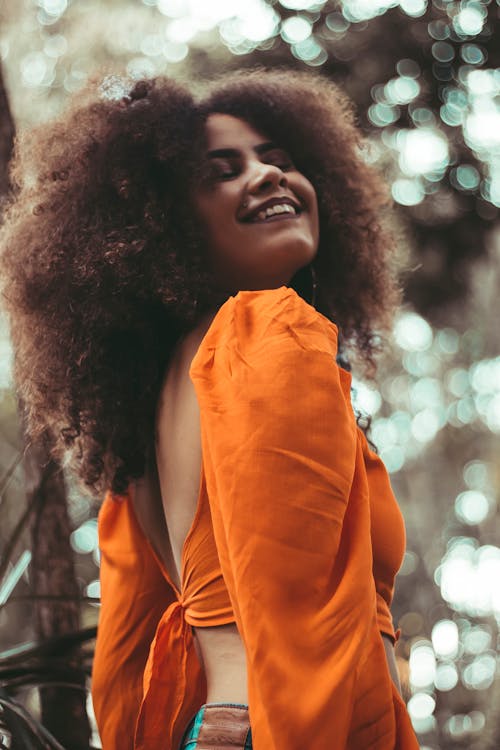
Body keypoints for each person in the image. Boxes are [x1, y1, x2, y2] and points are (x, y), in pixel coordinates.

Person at [0, 67, 420, 749]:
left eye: (280, 161)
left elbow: (126, 668)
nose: (267, 177)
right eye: (221, 172)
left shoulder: (150, 416)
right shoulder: (264, 333)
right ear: (161, 223)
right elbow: (298, 620)